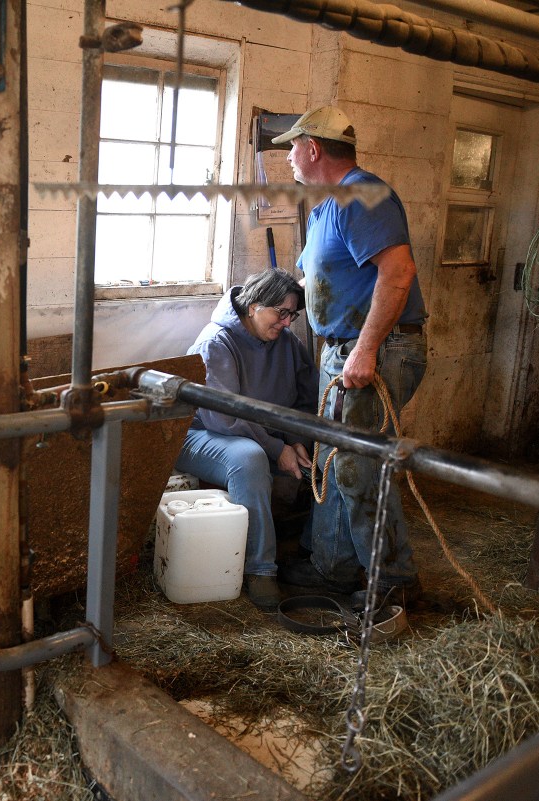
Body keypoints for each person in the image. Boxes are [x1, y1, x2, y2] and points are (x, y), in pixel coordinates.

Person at [271, 105, 429, 608]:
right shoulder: (328, 208)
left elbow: (398, 273)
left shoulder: (363, 195)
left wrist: (365, 350)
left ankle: (395, 583)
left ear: (313, 148)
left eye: (293, 149)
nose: (290, 160)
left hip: (373, 352)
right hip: (342, 353)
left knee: (359, 468)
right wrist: (250, 306)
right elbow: (312, 282)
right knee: (334, 462)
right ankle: (333, 567)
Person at [175, 268, 319, 611]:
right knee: (248, 458)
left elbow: (304, 397)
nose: (287, 322)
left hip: (263, 432)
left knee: (329, 450)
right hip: (198, 433)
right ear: (253, 306)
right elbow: (224, 416)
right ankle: (260, 569)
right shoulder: (217, 342)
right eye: (280, 313)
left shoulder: (287, 343)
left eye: (292, 314)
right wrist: (277, 447)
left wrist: (296, 438)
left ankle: (315, 553)